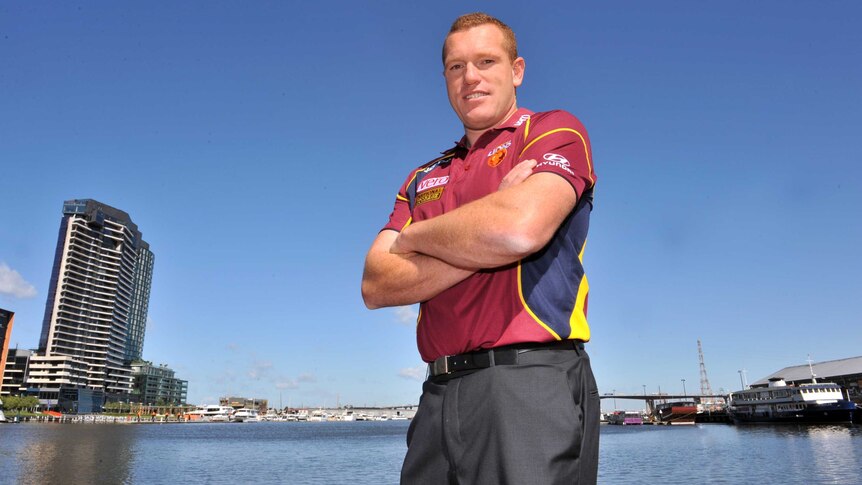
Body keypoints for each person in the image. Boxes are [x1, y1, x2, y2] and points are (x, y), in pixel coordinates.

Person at [362, 12, 599, 485]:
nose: (470, 77)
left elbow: (519, 230)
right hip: (437, 394)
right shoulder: (422, 177)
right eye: (456, 67)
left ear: (516, 71)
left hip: (527, 382)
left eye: (486, 61)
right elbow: (376, 283)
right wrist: (487, 221)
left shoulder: (552, 131)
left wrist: (415, 238)